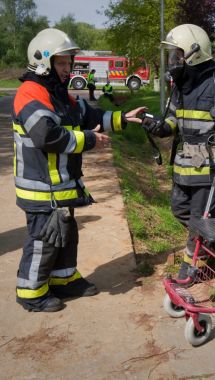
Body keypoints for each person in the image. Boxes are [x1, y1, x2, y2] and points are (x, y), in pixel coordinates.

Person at [12, 28, 146, 312]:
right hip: (40, 188)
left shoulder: (58, 94)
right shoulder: (30, 93)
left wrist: (123, 118)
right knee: (44, 239)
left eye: (68, 62)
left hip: (58, 185)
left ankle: (64, 279)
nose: (68, 68)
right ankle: (30, 292)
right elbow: (46, 136)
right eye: (61, 63)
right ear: (43, 62)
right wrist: (90, 140)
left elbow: (89, 114)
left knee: (66, 232)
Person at [142, 24, 215, 278]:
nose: (174, 60)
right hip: (185, 165)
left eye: (177, 53)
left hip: (212, 166)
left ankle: (189, 267)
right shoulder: (181, 83)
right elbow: (172, 122)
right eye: (173, 54)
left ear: (194, 52)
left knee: (200, 218)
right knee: (180, 211)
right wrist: (154, 126)